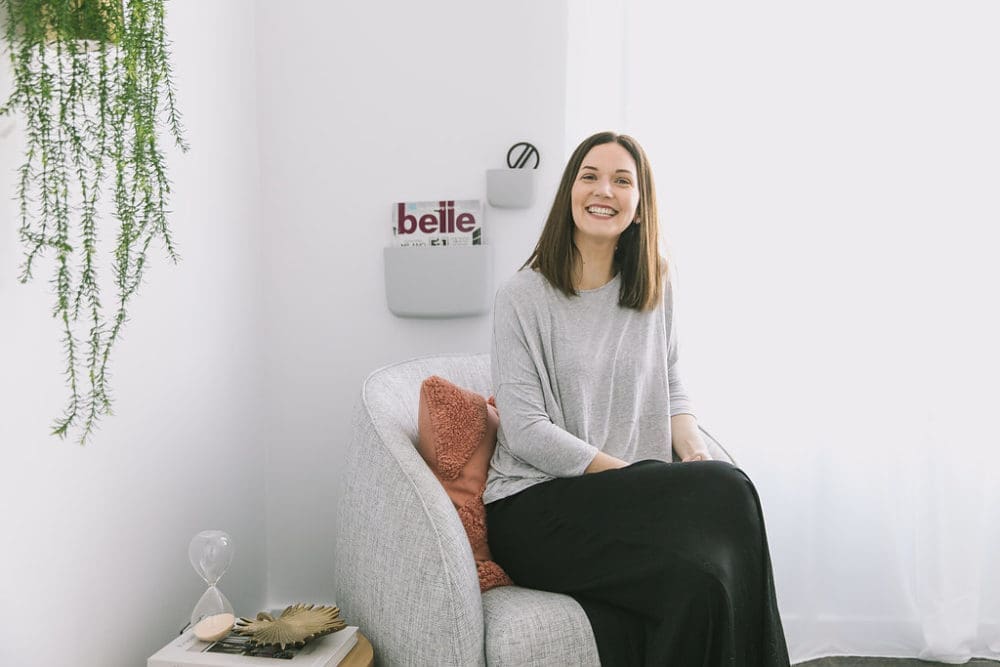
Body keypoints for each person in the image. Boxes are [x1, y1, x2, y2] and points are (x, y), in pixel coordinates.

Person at [484, 131, 790, 666]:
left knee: (701, 586)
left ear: (641, 206)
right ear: (569, 194)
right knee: (730, 488)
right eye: (590, 176)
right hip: (534, 509)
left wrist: (691, 454)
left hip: (628, 503)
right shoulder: (522, 297)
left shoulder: (656, 284)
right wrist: (641, 480)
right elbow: (526, 430)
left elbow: (672, 384)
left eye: (622, 180)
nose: (604, 190)